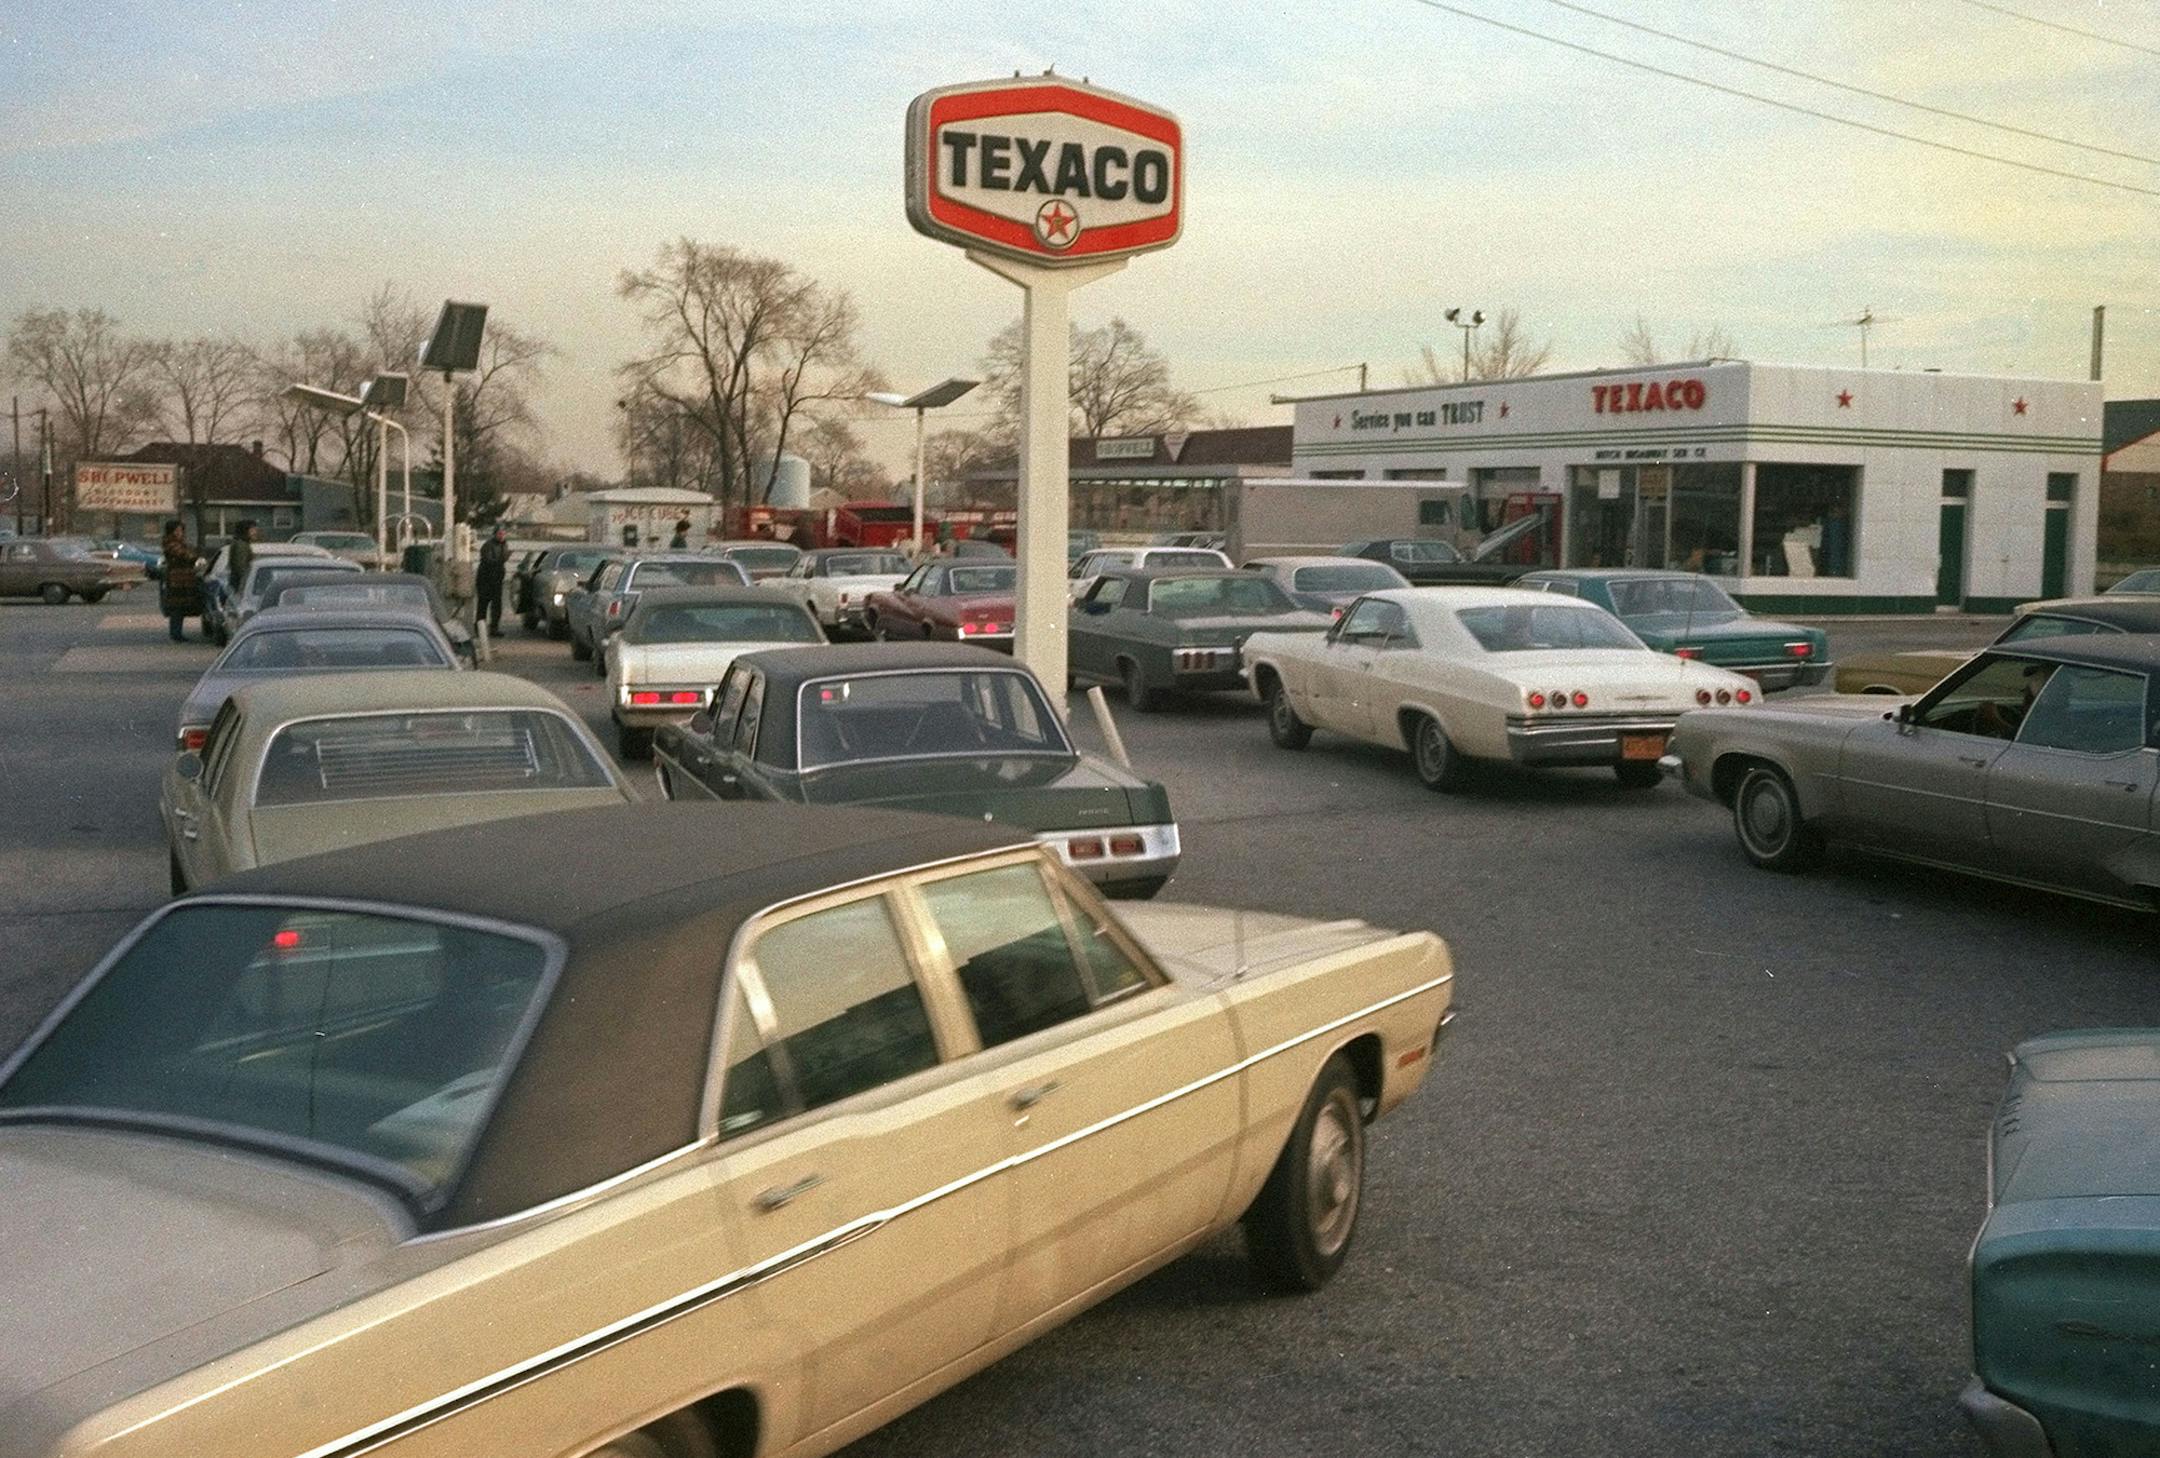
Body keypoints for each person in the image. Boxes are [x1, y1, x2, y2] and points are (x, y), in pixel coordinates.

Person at [159, 521, 202, 643]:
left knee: (179, 608)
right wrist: (194, 556)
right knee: (177, 608)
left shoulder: (177, 543)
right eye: (177, 531)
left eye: (181, 530)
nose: (180, 533)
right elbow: (185, 555)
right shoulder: (171, 543)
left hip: (181, 579)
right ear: (171, 531)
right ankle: (176, 634)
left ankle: (177, 633)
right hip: (176, 579)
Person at [476, 525, 510, 634]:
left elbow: (501, 560)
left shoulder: (504, 545)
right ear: (495, 534)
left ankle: (494, 628)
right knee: (483, 605)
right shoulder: (488, 545)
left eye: (503, 534)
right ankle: (479, 628)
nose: (502, 536)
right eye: (500, 533)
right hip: (485, 579)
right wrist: (501, 560)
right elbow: (488, 560)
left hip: (497, 579)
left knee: (496, 606)